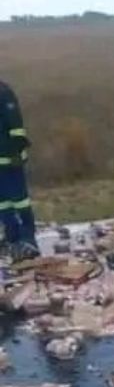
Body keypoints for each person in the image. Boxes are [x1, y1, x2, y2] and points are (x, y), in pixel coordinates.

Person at [0, 79, 37, 257]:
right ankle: (12, 238)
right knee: (3, 204)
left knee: (20, 201)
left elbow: (16, 126)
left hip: (10, 159)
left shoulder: (4, 92)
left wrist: (15, 150)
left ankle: (28, 239)